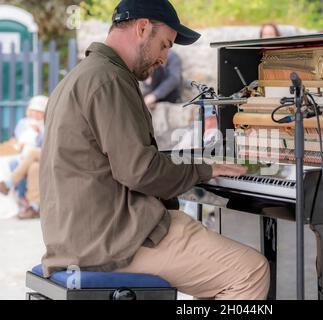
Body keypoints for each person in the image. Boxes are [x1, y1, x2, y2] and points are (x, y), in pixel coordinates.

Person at [39, 0, 270, 300]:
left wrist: (189, 165)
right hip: (113, 241)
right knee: (250, 272)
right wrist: (204, 169)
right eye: (164, 45)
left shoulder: (80, 76)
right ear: (142, 27)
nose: (164, 58)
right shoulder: (109, 80)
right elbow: (139, 170)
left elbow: (119, 161)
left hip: (80, 237)